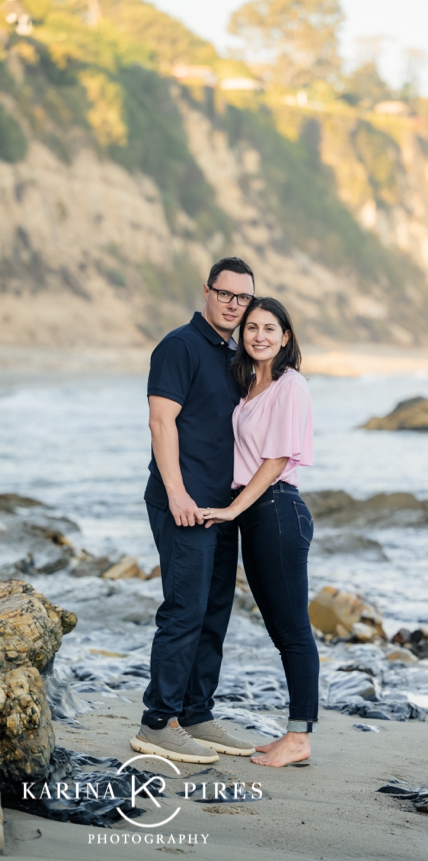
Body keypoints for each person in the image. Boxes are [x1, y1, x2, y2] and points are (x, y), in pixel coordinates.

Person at [134, 259, 259, 765]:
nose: (233, 304)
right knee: (183, 611)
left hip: (221, 508)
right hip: (181, 503)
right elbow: (161, 423)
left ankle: (196, 713)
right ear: (207, 291)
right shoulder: (178, 346)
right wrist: (178, 494)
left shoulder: (235, 354)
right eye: (225, 294)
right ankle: (156, 722)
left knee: (214, 612)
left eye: (243, 298)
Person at [197, 296, 316, 769]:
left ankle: (300, 736)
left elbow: (277, 459)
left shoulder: (291, 385)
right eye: (252, 328)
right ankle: (295, 733)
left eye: (270, 328)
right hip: (258, 513)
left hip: (277, 509)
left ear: (286, 337)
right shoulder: (248, 386)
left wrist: (231, 510)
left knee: (293, 630)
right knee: (279, 629)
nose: (260, 335)